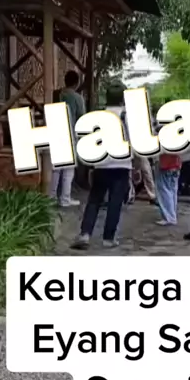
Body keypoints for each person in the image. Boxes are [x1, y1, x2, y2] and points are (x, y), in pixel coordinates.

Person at [71, 105, 131, 249]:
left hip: (101, 164)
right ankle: (108, 238)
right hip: (122, 165)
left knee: (94, 200)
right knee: (115, 203)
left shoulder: (97, 117)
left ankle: (85, 234)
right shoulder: (128, 117)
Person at [49, 70, 85, 207]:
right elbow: (81, 117)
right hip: (70, 133)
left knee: (56, 168)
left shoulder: (56, 95)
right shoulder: (77, 98)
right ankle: (65, 198)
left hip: (55, 132)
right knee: (68, 169)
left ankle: (51, 197)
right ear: (76, 83)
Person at [155, 150, 182, 226]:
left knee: (164, 191)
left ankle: (169, 217)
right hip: (176, 164)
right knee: (173, 191)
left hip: (165, 163)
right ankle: (172, 215)